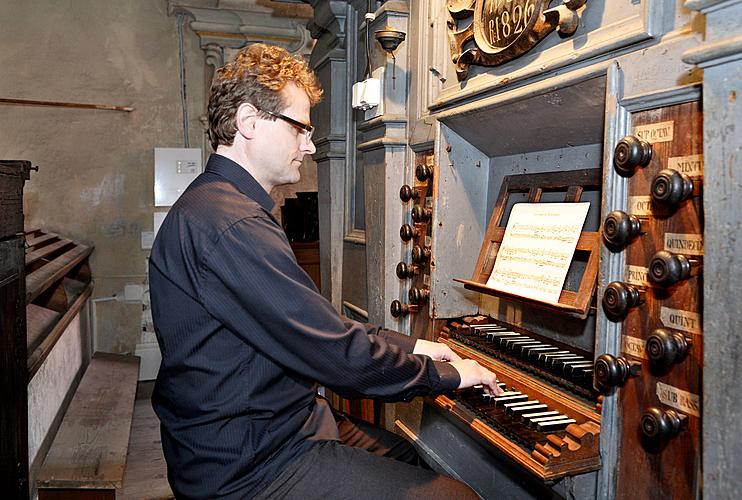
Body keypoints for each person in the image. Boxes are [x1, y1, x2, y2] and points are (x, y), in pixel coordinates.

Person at [149, 43, 502, 500]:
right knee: (458, 498)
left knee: (408, 458)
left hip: (282, 423)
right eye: (300, 128)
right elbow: (336, 355)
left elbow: (320, 326)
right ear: (249, 122)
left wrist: (417, 344)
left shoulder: (222, 205)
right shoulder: (230, 225)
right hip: (250, 465)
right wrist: (448, 376)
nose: (311, 144)